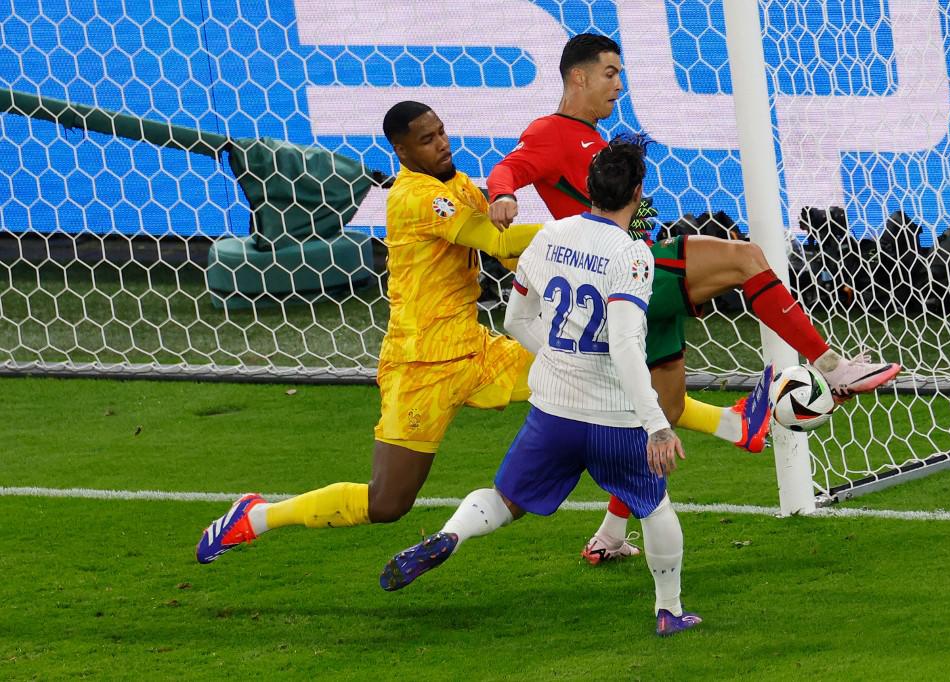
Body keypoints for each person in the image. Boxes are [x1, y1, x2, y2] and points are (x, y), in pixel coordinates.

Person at [485, 33, 902, 564]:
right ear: (578, 77)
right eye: (610, 73)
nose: (619, 84)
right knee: (747, 259)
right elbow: (509, 168)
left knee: (668, 408)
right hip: (628, 271)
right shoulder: (551, 132)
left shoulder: (591, 136)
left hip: (633, 282)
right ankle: (831, 364)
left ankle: (610, 535)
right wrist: (501, 194)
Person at [379, 138, 702, 637]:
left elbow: (515, 320)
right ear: (637, 193)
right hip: (613, 417)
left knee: (505, 499)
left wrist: (553, 355)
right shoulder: (633, 255)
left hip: (553, 410)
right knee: (654, 505)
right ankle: (670, 610)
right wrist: (657, 425)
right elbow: (622, 343)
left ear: (589, 189)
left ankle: (449, 535)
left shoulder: (550, 236)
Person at [195, 101, 543, 563]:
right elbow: (496, 240)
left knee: (584, 381)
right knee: (387, 503)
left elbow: (504, 256)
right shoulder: (414, 197)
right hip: (420, 366)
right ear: (401, 150)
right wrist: (587, 235)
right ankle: (256, 516)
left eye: (441, 132)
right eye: (427, 139)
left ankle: (615, 523)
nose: (442, 144)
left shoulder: (457, 185)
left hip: (475, 348)